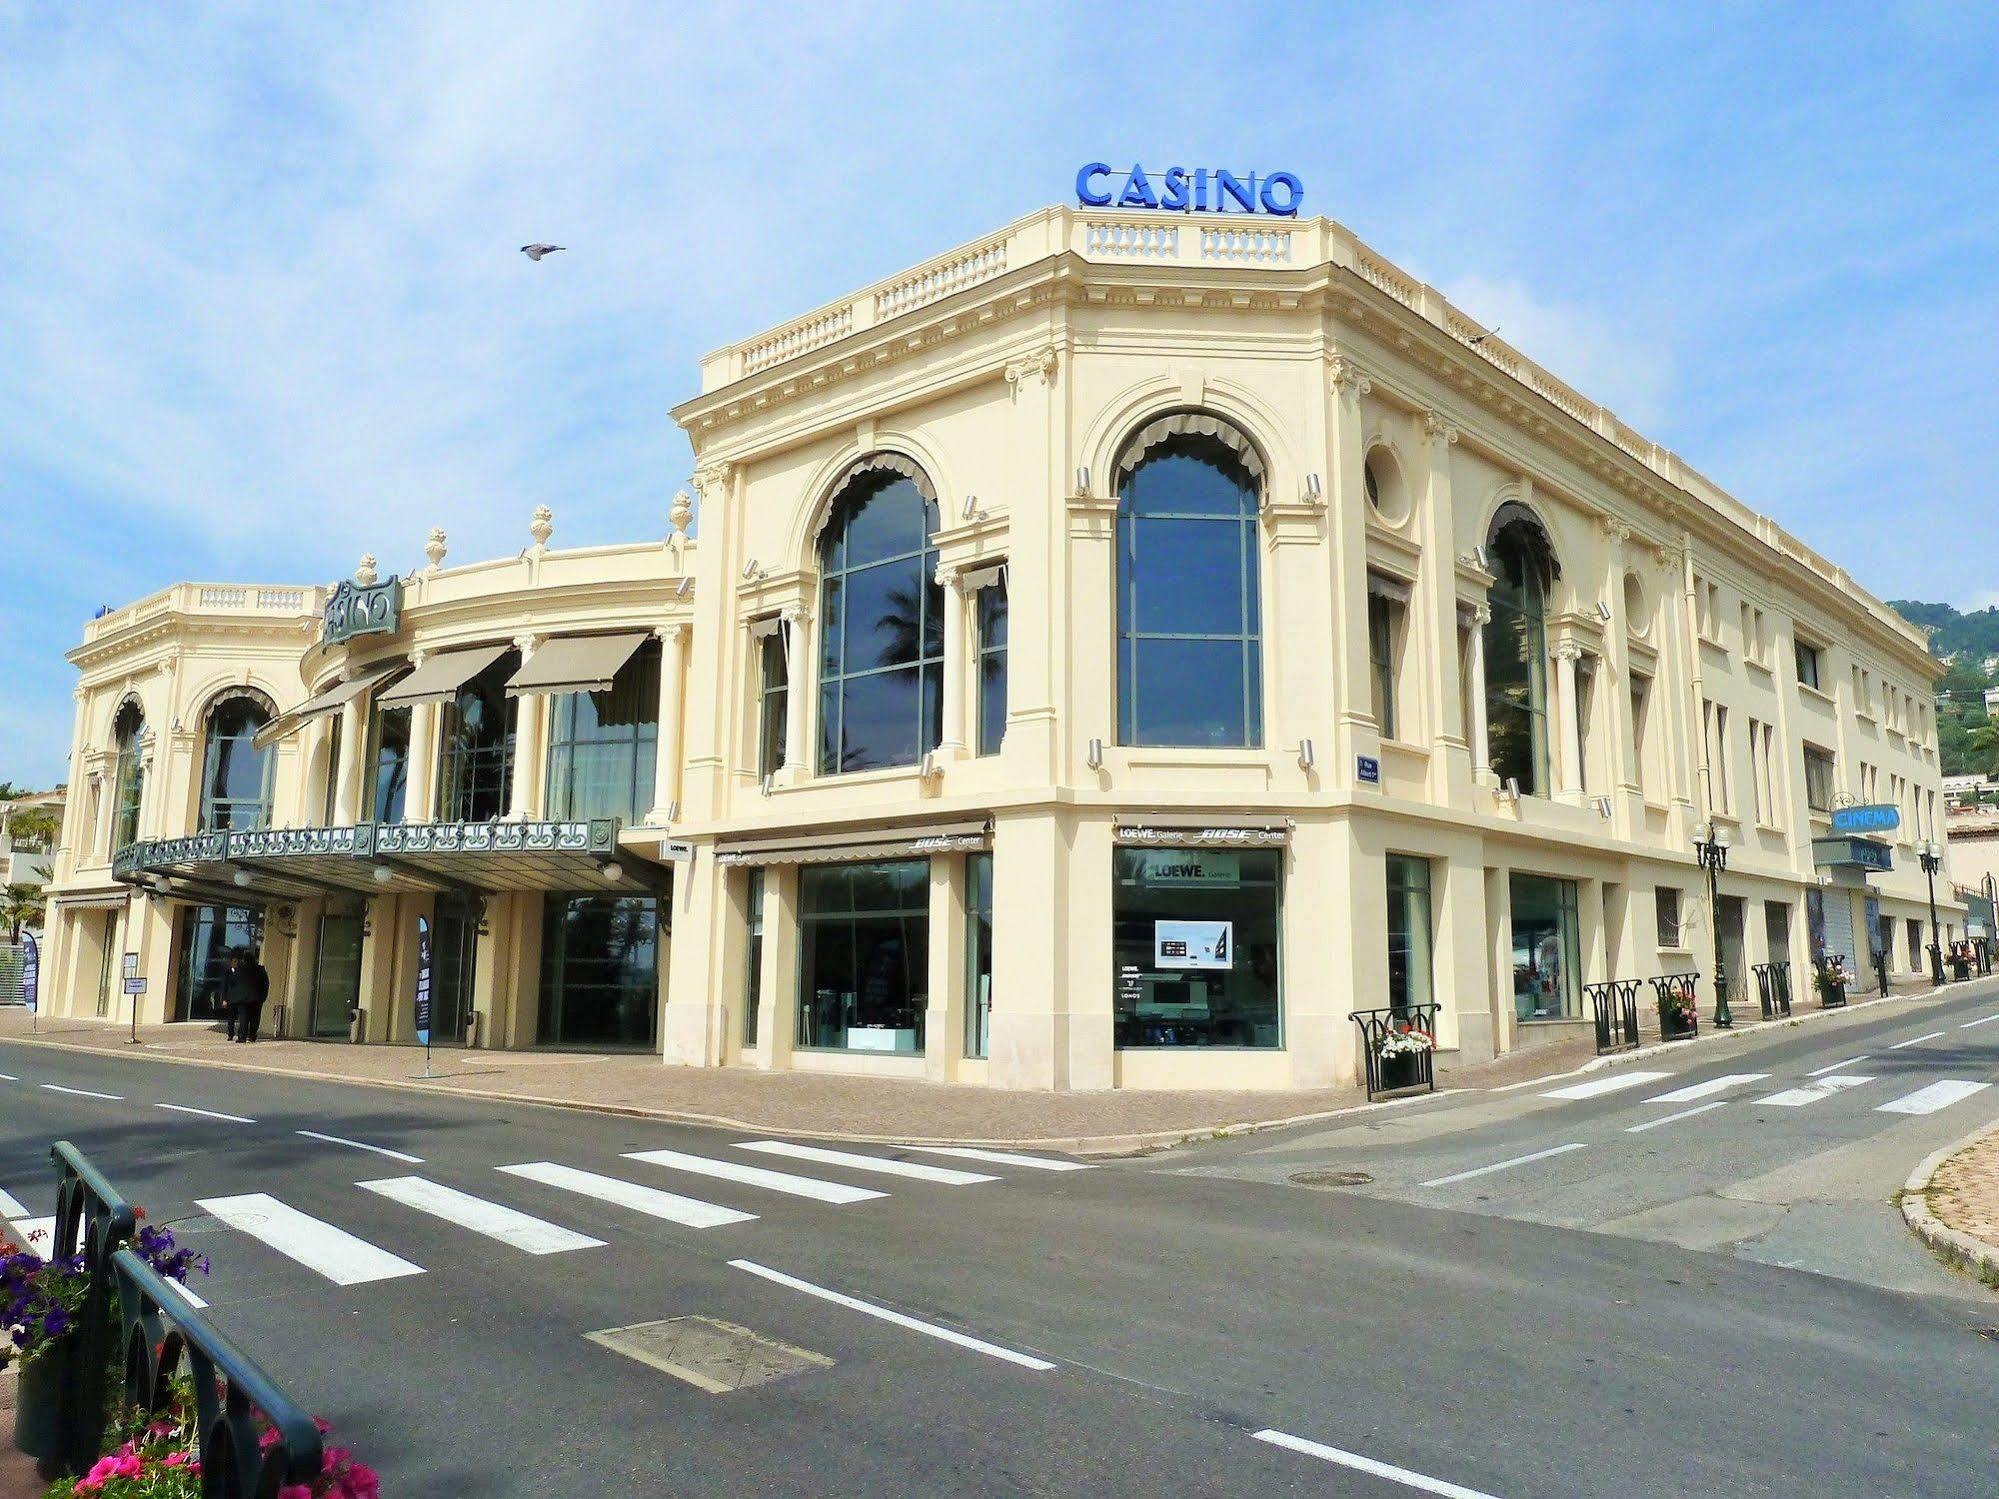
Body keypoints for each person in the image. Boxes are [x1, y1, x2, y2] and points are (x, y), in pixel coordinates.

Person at [219, 950, 254, 1040]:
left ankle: (242, 1036)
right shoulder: (227, 973)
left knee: (243, 1018)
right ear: (230, 962)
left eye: (237, 961)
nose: (236, 963)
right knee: (231, 1018)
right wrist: (224, 999)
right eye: (234, 961)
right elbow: (224, 987)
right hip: (231, 999)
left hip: (242, 999)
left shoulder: (244, 971)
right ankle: (230, 1034)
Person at [240, 947, 271, 1042]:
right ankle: (252, 1035)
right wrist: (263, 996)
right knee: (255, 1018)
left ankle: (242, 1037)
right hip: (257, 998)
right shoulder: (260, 969)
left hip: (244, 998)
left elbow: (236, 983)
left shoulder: (242, 970)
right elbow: (266, 983)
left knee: (244, 1017)